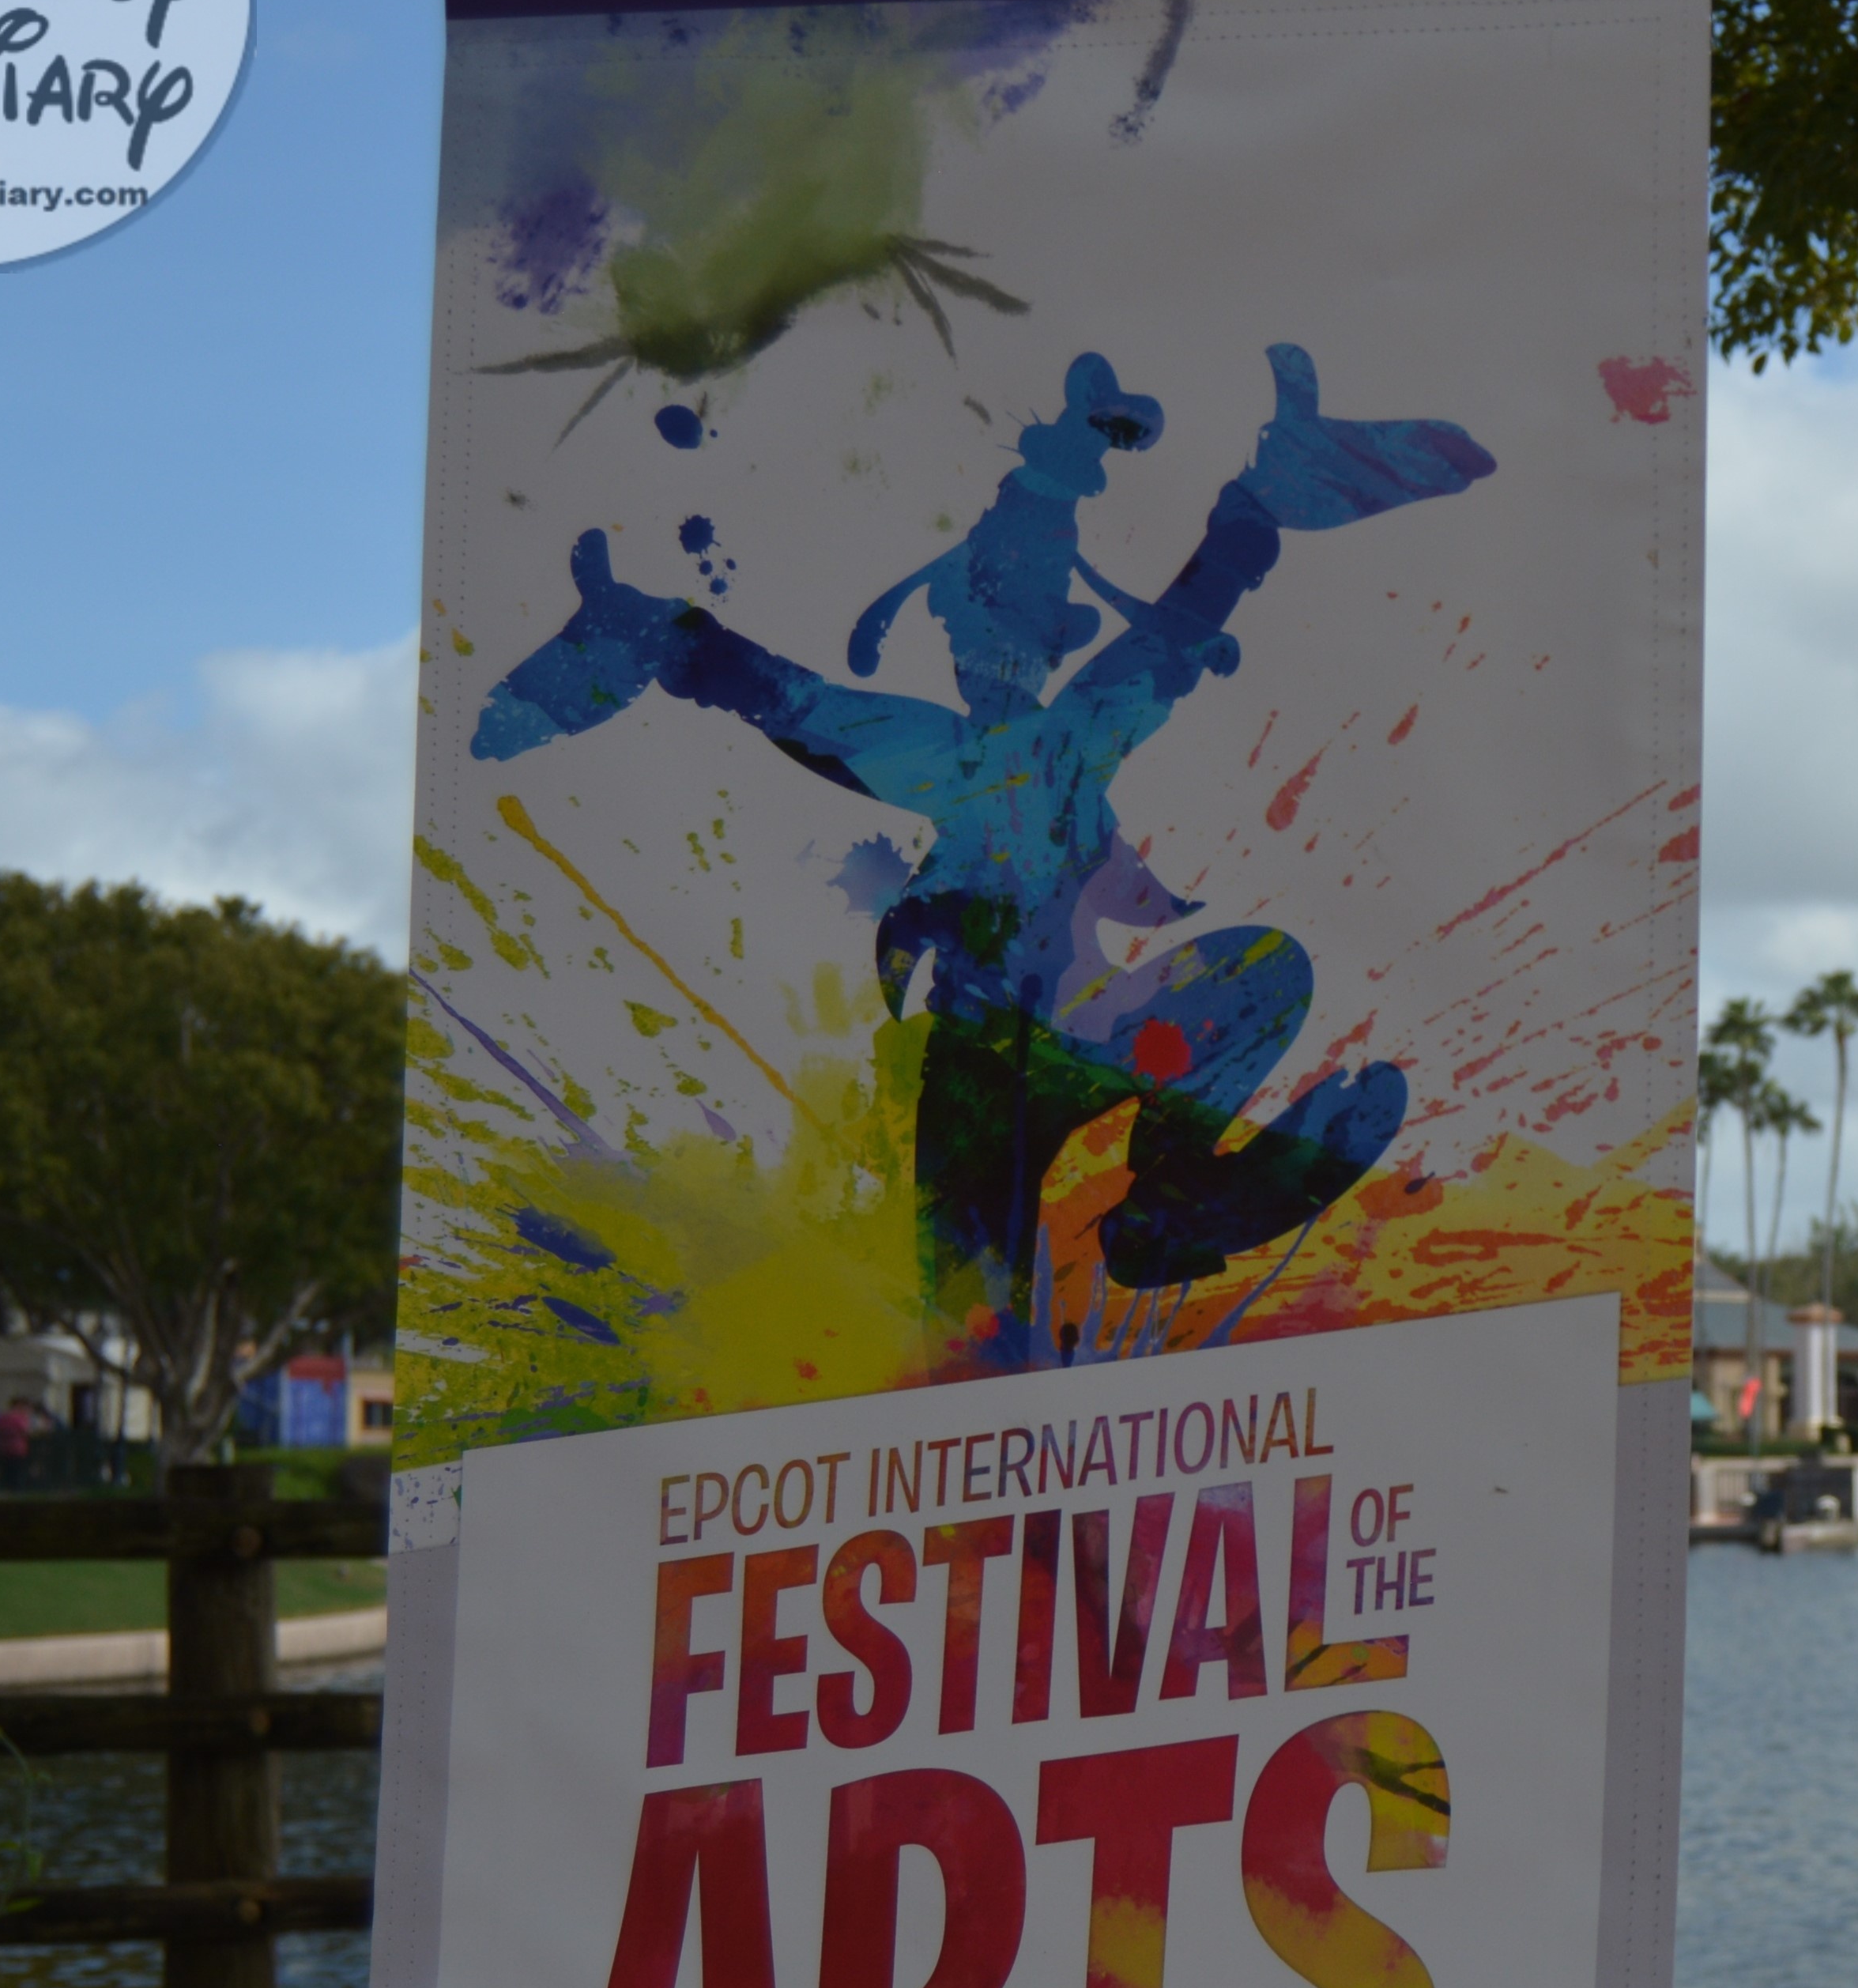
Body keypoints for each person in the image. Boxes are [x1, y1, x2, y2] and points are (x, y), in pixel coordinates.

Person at [475, 345, 1489, 1365]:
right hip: (986, 1075)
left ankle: (1170, 1209)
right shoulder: (956, 749)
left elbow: (1170, 632)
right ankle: (1133, 1238)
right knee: (971, 1325)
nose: (995, 652)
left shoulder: (1059, 737)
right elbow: (787, 699)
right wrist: (663, 637)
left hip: (1090, 1031)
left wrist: (1245, 513)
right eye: (980, 627)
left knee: (1265, 971)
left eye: (1013, 625)